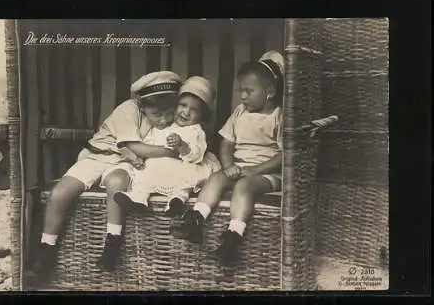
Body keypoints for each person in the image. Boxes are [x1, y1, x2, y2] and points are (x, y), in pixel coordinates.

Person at [26, 71, 183, 277]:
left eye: (168, 113)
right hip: (97, 156)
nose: (163, 120)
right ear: (142, 105)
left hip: (124, 162)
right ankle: (47, 250)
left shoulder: (168, 120)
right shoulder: (128, 109)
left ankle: (112, 243)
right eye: (157, 114)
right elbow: (135, 147)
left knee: (117, 183)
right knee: (60, 193)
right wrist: (171, 152)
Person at [172, 51, 285, 267]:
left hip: (268, 174)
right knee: (215, 178)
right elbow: (227, 143)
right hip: (239, 169)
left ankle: (233, 236)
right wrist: (228, 165)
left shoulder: (278, 116)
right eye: (241, 90)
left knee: (244, 186)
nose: (242, 96)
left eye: (248, 91)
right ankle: (196, 219)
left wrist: (256, 170)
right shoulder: (239, 113)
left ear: (269, 92)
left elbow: (285, 154)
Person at [113, 76, 220, 218]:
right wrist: (138, 158)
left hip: (183, 165)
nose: (186, 112)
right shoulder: (163, 125)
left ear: (201, 116)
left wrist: (182, 145)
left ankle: (177, 200)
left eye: (194, 110)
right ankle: (139, 198)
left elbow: (196, 153)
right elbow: (149, 142)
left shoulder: (196, 131)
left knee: (186, 181)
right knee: (144, 176)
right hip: (159, 165)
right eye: (183, 105)